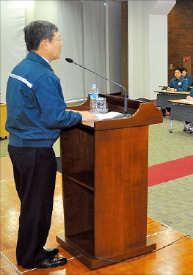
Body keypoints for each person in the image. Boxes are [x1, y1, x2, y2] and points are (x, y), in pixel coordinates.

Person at [6, 20, 99, 269]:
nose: (61, 43)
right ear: (45, 43)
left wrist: (67, 112)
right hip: (35, 150)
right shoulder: (44, 75)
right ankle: (31, 258)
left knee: (30, 203)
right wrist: (81, 116)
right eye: (58, 39)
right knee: (38, 205)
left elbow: (35, 109)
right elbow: (54, 118)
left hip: (18, 146)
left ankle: (32, 249)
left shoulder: (21, 67)